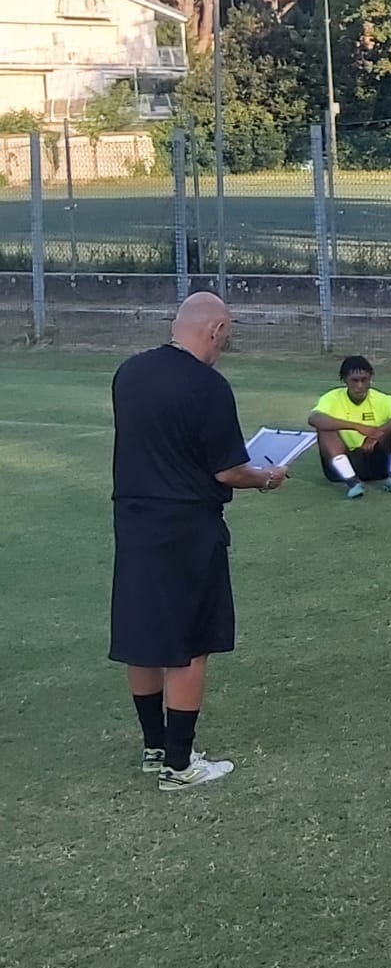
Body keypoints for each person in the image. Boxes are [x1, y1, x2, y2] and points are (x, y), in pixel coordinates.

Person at [110, 292, 290, 792]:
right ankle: (180, 764)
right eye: (226, 334)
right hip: (187, 526)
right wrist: (268, 477)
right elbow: (228, 470)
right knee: (190, 643)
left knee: (144, 636)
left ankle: (155, 747)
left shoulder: (129, 373)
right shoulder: (209, 386)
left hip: (134, 520)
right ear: (215, 329)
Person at [307, 356, 391, 498]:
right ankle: (352, 482)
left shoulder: (380, 399)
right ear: (344, 380)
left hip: (377, 463)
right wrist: (357, 427)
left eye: (364, 380)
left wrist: (378, 432)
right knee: (324, 428)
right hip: (340, 468)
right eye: (354, 380)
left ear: (370, 379)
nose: (360, 385)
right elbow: (314, 419)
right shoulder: (332, 398)